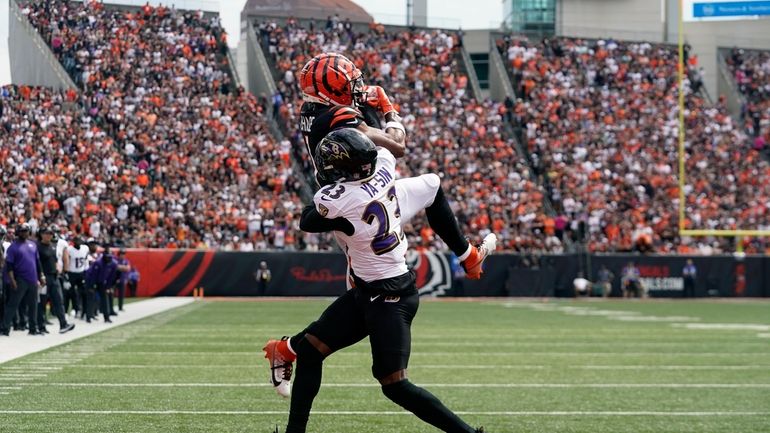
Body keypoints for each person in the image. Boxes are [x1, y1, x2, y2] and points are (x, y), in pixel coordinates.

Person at [263, 129, 489, 433]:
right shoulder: (383, 164)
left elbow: (307, 220)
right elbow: (402, 160)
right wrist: (378, 125)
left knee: (394, 384)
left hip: (390, 298)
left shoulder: (340, 200)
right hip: (368, 290)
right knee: (310, 350)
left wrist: (329, 180)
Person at [297, 52, 494, 281]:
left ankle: (468, 256)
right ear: (329, 93)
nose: (355, 90)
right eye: (346, 87)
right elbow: (397, 146)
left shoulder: (311, 110)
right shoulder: (336, 115)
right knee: (365, 280)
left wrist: (365, 105)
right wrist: (388, 109)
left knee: (431, 185)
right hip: (355, 202)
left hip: (364, 189)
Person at [1, 224, 45, 336]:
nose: (24, 233)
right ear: (18, 232)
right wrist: (12, 280)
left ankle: (33, 328)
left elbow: (37, 262)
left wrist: (41, 276)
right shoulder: (13, 247)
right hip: (20, 279)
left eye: (26, 231)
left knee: (33, 305)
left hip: (33, 279)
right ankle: (5, 328)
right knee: (13, 304)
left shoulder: (33, 245)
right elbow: (9, 266)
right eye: (22, 231)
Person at [36, 227, 75, 334]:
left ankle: (63, 324)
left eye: (50, 233)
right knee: (42, 303)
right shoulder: (37, 247)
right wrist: (40, 276)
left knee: (59, 300)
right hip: (44, 277)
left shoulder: (53, 246)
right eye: (46, 233)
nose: (49, 235)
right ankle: (41, 326)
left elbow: (55, 260)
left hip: (54, 276)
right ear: (41, 234)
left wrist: (58, 268)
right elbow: (35, 263)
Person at [85, 247, 119, 323]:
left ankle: (106, 317)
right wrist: (92, 286)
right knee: (91, 298)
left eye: (110, 257)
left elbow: (111, 277)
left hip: (102, 282)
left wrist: (108, 287)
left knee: (105, 298)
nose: (108, 259)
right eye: (107, 257)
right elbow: (93, 275)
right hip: (91, 280)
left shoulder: (113, 264)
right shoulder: (98, 263)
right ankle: (89, 316)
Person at [66, 236, 91, 321]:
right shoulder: (69, 249)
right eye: (76, 240)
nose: (78, 242)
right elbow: (66, 260)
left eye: (79, 240)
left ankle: (84, 312)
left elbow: (86, 259)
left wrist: (86, 271)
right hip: (72, 273)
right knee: (70, 292)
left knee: (84, 293)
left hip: (81, 272)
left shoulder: (85, 248)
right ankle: (72, 309)